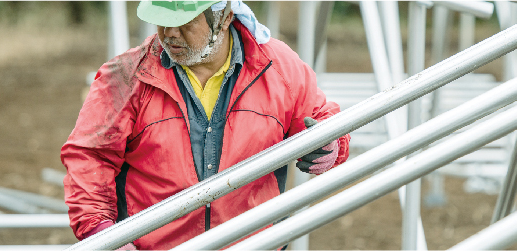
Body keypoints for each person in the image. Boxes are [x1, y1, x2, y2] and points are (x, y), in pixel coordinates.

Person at [61, 1, 350, 249]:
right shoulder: (127, 76)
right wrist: (99, 231)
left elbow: (324, 120)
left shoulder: (278, 67)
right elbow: (90, 157)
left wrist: (330, 146)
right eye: (162, 19)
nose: (169, 33)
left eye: (184, 21)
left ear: (224, 17)